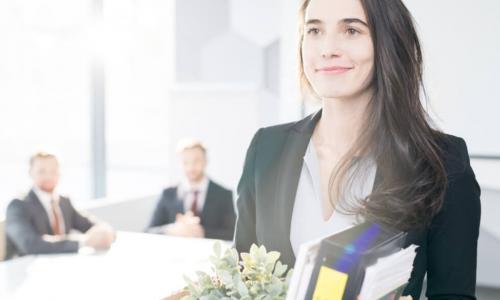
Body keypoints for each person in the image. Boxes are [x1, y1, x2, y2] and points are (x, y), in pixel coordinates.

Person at [234, 0, 481, 299]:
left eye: (351, 30)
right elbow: (242, 280)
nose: (328, 48)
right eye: (314, 30)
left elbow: (454, 295)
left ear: (388, 41)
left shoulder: (443, 161)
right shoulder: (266, 149)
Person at [5, 151, 115, 259]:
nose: (48, 176)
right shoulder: (18, 205)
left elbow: (90, 224)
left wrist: (105, 232)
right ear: (30, 172)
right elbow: (30, 244)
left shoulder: (64, 202)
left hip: (60, 266)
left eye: (53, 171)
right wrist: (83, 241)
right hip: (23, 270)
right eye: (41, 171)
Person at [148, 139, 236, 240]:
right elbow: (149, 230)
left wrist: (202, 232)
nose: (191, 167)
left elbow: (233, 234)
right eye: (185, 162)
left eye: (196, 161)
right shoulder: (168, 193)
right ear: (180, 164)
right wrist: (171, 230)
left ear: (205, 161)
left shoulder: (224, 195)